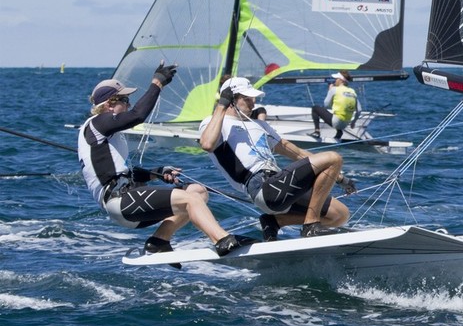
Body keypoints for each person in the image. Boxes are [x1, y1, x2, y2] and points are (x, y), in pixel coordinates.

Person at [78, 63, 248, 259]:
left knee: (197, 192)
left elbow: (121, 172)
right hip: (121, 202)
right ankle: (223, 240)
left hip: (128, 200)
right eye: (125, 100)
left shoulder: (107, 135)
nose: (129, 105)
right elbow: (138, 115)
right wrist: (157, 83)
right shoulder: (98, 123)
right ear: (109, 104)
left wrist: (156, 172)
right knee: (190, 200)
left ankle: (159, 241)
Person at [199, 76, 354, 241]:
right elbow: (207, 144)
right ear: (231, 100)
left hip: (278, 182)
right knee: (333, 157)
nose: (253, 103)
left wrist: (339, 177)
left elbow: (298, 153)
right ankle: (310, 226)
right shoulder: (215, 123)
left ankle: (275, 222)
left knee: (339, 215)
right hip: (261, 187)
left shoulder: (261, 126)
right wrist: (221, 106)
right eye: (247, 99)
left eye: (253, 99)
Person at [310, 71, 361, 140]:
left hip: (336, 123)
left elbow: (326, 105)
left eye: (336, 79)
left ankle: (317, 132)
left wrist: (330, 91)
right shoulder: (352, 92)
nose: (334, 81)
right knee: (337, 113)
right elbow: (359, 110)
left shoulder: (334, 89)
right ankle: (339, 132)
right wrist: (353, 122)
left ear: (341, 80)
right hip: (345, 124)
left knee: (315, 108)